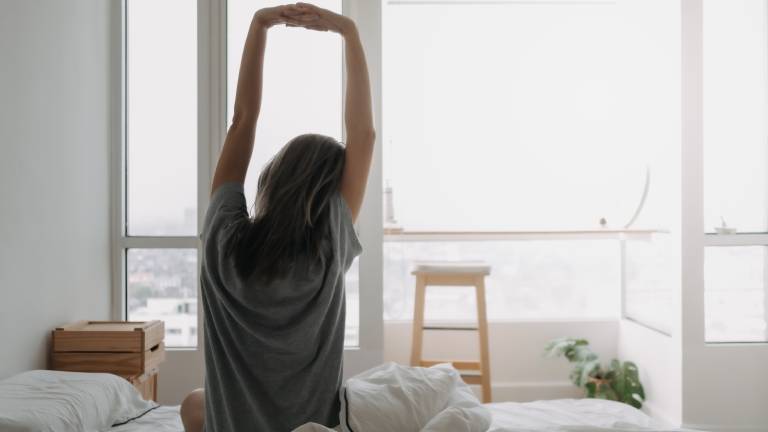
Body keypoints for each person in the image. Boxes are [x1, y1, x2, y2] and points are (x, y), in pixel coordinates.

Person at [179, 3, 375, 431]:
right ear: (329, 194)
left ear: (273, 177)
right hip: (311, 428)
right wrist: (349, 32)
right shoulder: (329, 242)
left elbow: (241, 122)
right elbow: (364, 134)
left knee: (193, 404)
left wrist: (260, 25)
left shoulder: (222, 238)